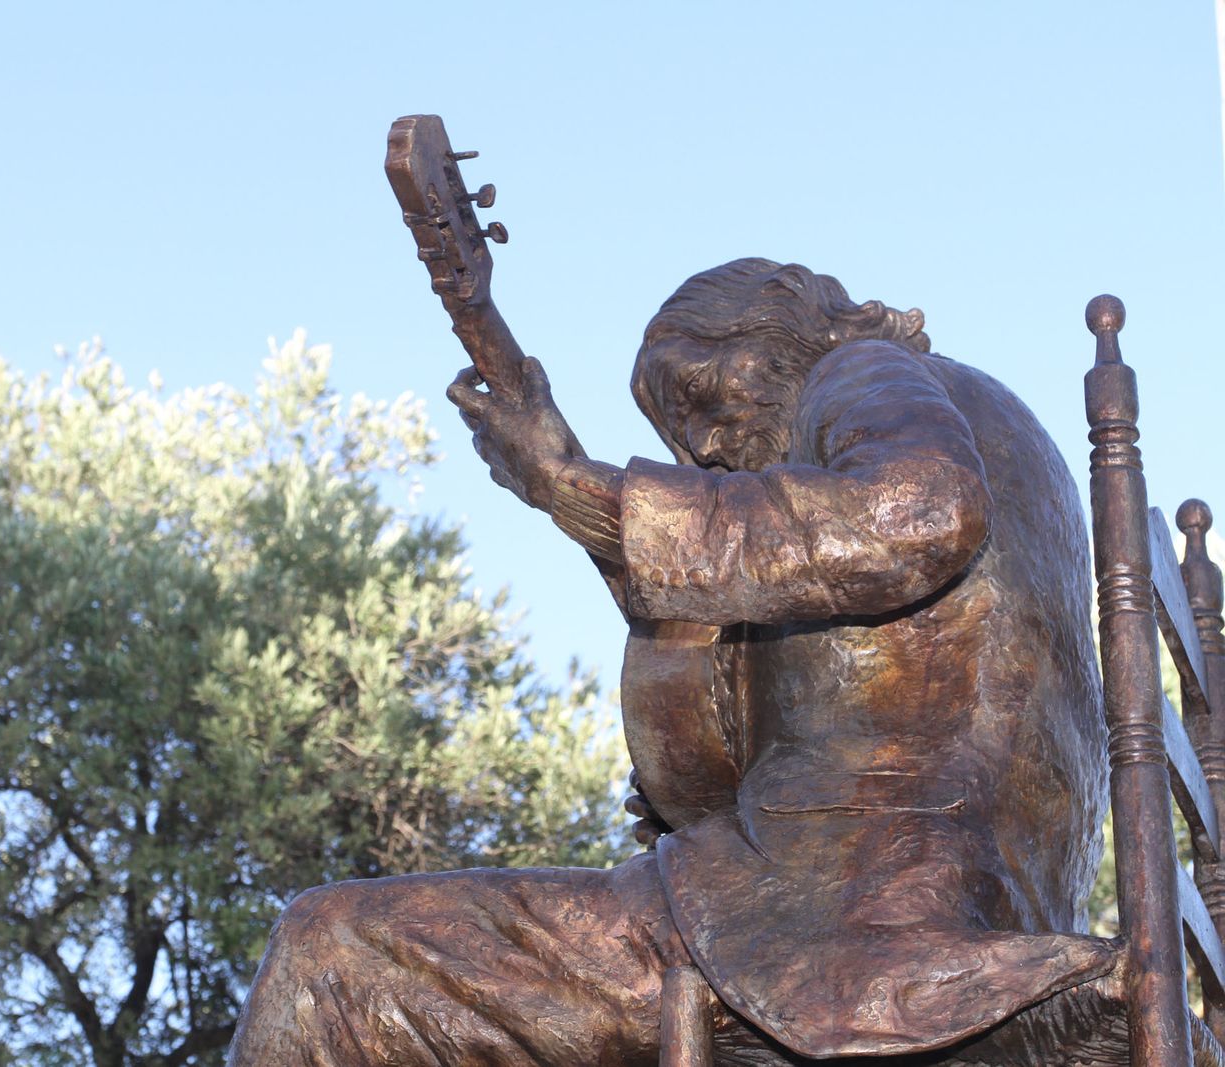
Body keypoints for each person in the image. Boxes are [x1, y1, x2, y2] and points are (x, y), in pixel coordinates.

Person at [226, 259, 1114, 1065]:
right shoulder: (981, 421)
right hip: (901, 902)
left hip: (838, 925)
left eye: (700, 394)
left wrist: (575, 488)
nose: (706, 447)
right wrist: (575, 494)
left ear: (788, 332)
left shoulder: (861, 372)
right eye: (678, 432)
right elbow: (784, 607)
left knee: (332, 949)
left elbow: (918, 516)